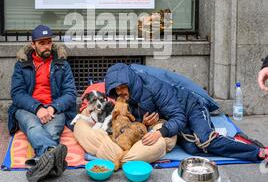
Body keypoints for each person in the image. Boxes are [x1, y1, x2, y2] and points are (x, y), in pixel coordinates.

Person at [101, 63, 268, 163]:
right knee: (192, 149)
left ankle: (256, 152)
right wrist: (144, 123)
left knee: (205, 141)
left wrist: (160, 133)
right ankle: (229, 141)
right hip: (174, 119)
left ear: (131, 83)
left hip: (191, 107)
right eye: (116, 90)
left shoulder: (154, 87)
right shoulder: (126, 98)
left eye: (123, 87)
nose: (120, 92)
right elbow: (137, 121)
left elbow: (178, 116)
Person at [8, 25, 77, 182]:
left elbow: (70, 93)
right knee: (33, 126)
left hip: (55, 108)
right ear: (33, 45)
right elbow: (17, 93)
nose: (47, 46)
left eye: (49, 42)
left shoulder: (61, 64)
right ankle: (53, 157)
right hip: (27, 108)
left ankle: (42, 161)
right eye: (42, 43)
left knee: (53, 130)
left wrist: (53, 107)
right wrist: (37, 108)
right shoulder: (22, 64)